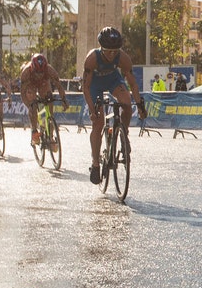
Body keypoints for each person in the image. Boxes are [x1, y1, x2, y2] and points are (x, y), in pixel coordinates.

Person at [81, 27, 146, 185]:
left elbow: (133, 84)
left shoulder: (123, 58)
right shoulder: (91, 59)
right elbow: (86, 87)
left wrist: (140, 105)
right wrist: (92, 109)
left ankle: (124, 134)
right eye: (108, 51)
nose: (112, 55)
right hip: (94, 85)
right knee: (98, 123)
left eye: (115, 51)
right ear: (101, 48)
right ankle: (96, 164)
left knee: (127, 104)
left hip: (113, 81)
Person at [20, 54, 69, 149]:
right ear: (32, 68)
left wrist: (64, 100)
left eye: (41, 72)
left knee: (49, 100)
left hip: (44, 83)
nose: (39, 75)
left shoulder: (50, 70)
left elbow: (59, 86)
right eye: (37, 72)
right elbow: (22, 93)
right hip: (31, 84)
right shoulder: (26, 73)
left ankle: (50, 136)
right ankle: (34, 131)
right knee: (32, 105)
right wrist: (29, 106)